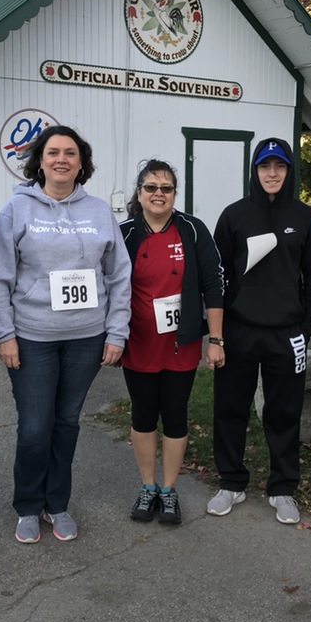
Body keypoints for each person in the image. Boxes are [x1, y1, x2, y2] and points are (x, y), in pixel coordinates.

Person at [0, 125, 131, 545]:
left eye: (70, 152)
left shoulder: (100, 211)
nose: (61, 159)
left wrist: (116, 332)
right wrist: (3, 334)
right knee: (34, 426)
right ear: (40, 160)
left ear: (81, 162)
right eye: (53, 152)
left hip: (87, 337)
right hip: (32, 336)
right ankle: (28, 505)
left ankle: (57, 502)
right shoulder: (17, 209)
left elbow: (120, 275)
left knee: (66, 423)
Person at [207, 138, 311, 524]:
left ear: (289, 171)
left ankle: (282, 488)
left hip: (286, 334)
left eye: (279, 167)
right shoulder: (234, 215)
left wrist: (305, 327)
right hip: (239, 330)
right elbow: (217, 277)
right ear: (255, 171)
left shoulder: (307, 218)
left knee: (284, 412)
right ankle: (231, 482)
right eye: (264, 167)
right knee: (230, 409)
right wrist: (217, 333)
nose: (272, 174)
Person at [119, 160, 225, 525]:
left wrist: (216, 339)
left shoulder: (193, 230)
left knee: (176, 416)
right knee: (144, 415)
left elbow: (213, 284)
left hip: (182, 345)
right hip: (138, 343)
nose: (158, 194)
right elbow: (109, 286)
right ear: (139, 193)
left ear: (174, 194)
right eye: (151, 187)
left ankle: (168, 490)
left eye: (166, 188)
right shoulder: (125, 234)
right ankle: (147, 487)